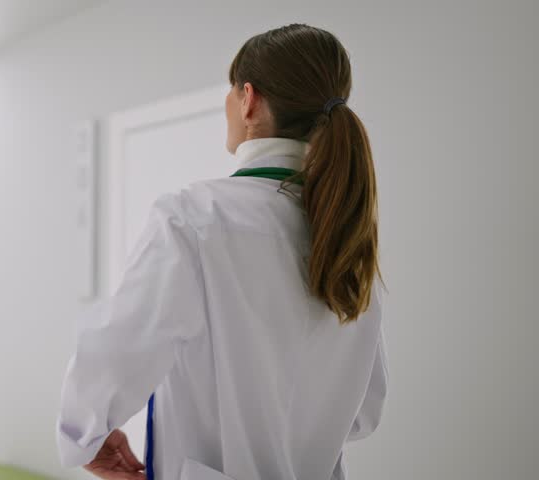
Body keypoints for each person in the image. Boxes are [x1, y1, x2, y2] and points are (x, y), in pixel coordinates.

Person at [56, 24, 387, 480]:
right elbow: (363, 412)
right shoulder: (350, 239)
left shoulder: (193, 218)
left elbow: (116, 352)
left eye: (230, 93)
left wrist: (86, 437)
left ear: (248, 99)